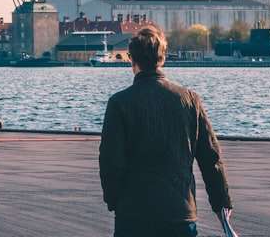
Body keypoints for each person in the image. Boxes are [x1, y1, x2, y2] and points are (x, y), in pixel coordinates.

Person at [99, 25, 233, 237]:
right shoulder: (190, 100)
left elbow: (110, 162)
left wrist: (115, 201)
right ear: (162, 58)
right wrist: (221, 205)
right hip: (180, 214)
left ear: (132, 60)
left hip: (134, 216)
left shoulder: (119, 103)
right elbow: (211, 159)